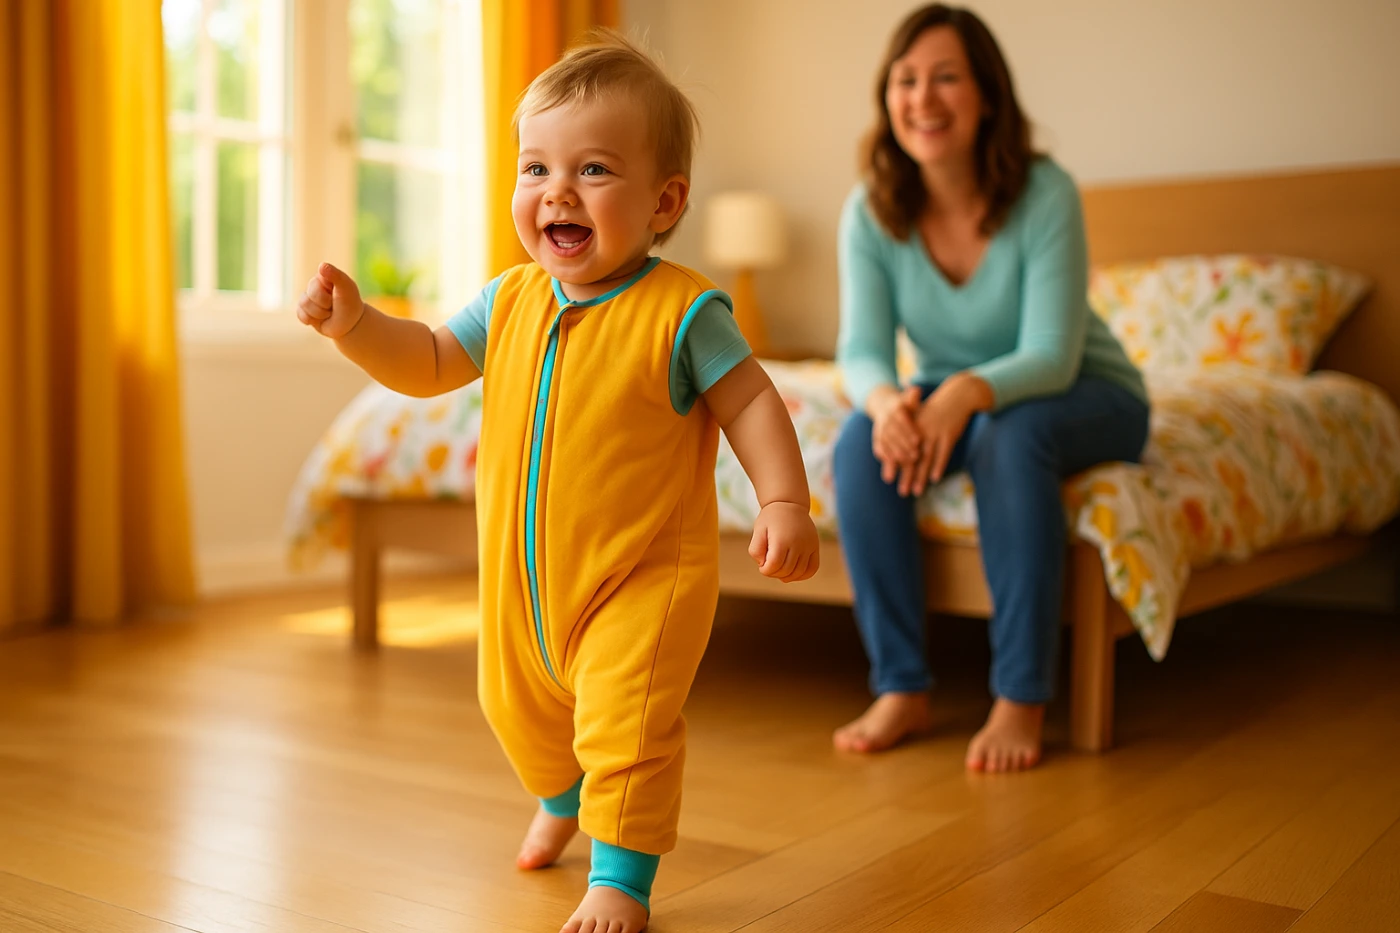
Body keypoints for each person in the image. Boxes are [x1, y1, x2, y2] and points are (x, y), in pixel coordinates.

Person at [296, 31, 820, 933]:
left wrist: (783, 500)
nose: (557, 191)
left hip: (640, 580)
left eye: (594, 169)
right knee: (512, 706)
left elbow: (751, 401)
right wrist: (356, 325)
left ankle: (620, 874)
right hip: (524, 584)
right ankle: (562, 796)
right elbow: (426, 359)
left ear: (664, 201)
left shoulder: (681, 311)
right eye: (535, 167)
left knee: (627, 722)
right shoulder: (508, 299)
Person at [830, 4, 1149, 773]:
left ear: (987, 95)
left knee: (1013, 435)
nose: (923, 98)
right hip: (957, 394)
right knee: (860, 443)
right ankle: (901, 684)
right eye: (906, 80)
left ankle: (1020, 694)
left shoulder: (1045, 192)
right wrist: (887, 403)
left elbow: (1051, 357)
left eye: (946, 77)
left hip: (1090, 393)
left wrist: (962, 393)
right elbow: (862, 352)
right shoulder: (871, 210)